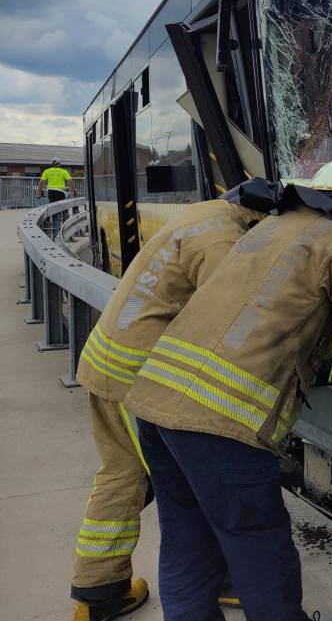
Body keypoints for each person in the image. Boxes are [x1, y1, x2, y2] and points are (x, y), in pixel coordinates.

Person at [124, 159, 332, 621]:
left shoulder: (267, 228)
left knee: (187, 545)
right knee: (261, 551)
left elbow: (265, 312)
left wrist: (330, 354)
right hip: (222, 422)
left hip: (155, 402)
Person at [70, 177, 281, 621]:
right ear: (261, 217)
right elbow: (231, 319)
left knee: (121, 471)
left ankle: (98, 588)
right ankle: (119, 592)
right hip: (138, 376)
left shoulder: (201, 216)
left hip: (107, 359)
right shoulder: (225, 241)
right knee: (179, 484)